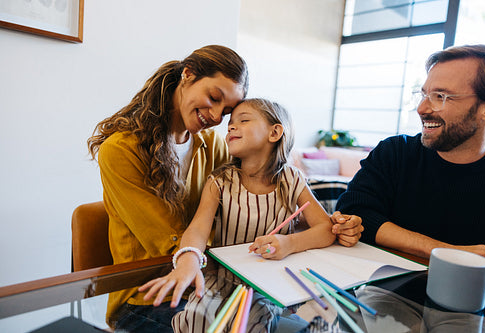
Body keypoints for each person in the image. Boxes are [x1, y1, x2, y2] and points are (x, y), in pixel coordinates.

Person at [139, 98, 363, 332]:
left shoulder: (292, 179)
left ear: (275, 132)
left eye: (243, 120)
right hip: (222, 281)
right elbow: (197, 229)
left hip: (270, 285)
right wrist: (188, 259)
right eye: (230, 125)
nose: (231, 127)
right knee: (195, 320)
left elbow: (326, 229)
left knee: (252, 325)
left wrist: (289, 243)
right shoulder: (220, 181)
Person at [87, 45, 249, 332]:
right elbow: (170, 241)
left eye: (225, 112)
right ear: (187, 74)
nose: (214, 116)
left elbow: (246, 202)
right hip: (146, 298)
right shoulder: (121, 150)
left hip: (207, 285)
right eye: (213, 98)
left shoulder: (213, 146)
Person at [336, 44, 485, 266]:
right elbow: (354, 213)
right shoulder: (395, 152)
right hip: (384, 290)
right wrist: (446, 251)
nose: (422, 108)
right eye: (424, 95)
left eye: (440, 96)